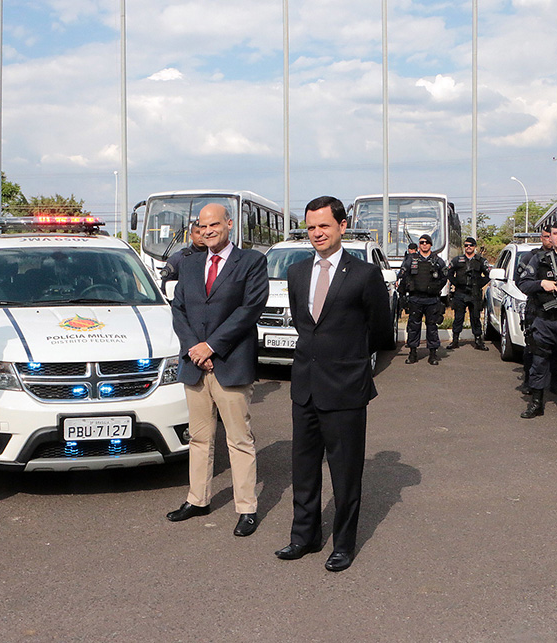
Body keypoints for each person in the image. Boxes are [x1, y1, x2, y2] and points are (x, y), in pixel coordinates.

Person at [274, 196, 394, 572]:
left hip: (345, 389)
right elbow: (303, 324)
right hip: (305, 386)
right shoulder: (296, 273)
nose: (317, 234)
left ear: (342, 226)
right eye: (311, 227)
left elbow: (379, 331)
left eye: (324, 226)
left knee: (345, 472)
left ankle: (342, 544)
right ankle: (304, 537)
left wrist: (350, 363)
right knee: (304, 469)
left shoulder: (364, 274)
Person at [167, 203, 269, 537]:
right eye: (203, 226)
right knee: (199, 437)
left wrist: (211, 347)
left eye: (215, 225)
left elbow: (249, 309)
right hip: (195, 366)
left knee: (239, 439)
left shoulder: (252, 262)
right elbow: (179, 309)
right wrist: (195, 349)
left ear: (229, 224)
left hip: (231, 364)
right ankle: (198, 499)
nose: (209, 230)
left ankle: (247, 508)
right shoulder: (190, 263)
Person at [518, 220, 557, 423]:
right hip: (544, 321)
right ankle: (536, 403)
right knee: (538, 362)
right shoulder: (538, 260)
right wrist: (541, 283)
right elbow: (523, 283)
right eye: (555, 233)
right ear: (550, 237)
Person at [514, 228, 557, 394]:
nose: (550, 240)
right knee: (533, 348)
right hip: (535, 308)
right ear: (542, 238)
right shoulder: (532, 257)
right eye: (546, 237)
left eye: (552, 236)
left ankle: (555, 382)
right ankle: (529, 382)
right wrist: (540, 284)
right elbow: (520, 281)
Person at [400, 234, 447, 365]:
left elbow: (444, 277)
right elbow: (403, 276)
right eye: (421, 242)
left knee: (432, 327)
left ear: (431, 244)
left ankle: (433, 354)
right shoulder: (411, 259)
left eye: (427, 242)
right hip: (415, 299)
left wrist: (435, 288)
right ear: (419, 245)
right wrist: (403, 294)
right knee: (413, 327)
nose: (424, 244)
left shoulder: (437, 260)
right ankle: (413, 353)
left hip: (431, 300)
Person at [447, 236, 491, 350]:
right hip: (460, 293)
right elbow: (449, 272)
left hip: (474, 293)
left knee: (475, 317)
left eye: (471, 245)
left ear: (474, 247)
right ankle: (455, 340)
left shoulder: (480, 261)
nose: (468, 247)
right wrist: (456, 283)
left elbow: (488, 275)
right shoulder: (457, 260)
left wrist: (479, 284)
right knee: (458, 317)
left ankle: (478, 341)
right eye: (466, 245)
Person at [160, 220, 205, 290]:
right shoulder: (178, 259)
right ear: (191, 236)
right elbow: (165, 288)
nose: (201, 236)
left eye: (203, 233)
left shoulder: (217, 257)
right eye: (198, 233)